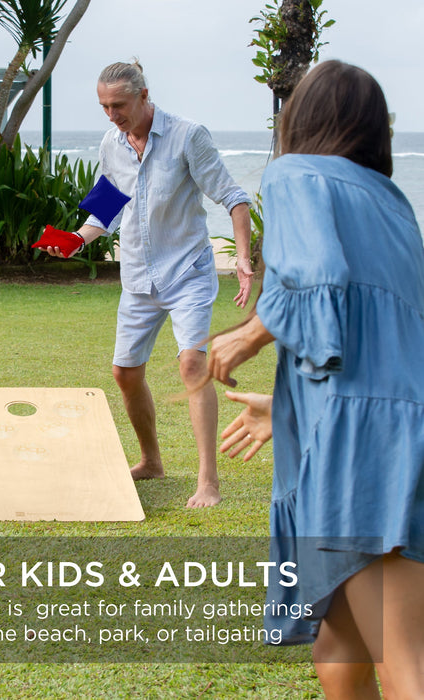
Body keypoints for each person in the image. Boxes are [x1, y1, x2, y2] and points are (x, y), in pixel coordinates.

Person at [207, 61, 424, 698]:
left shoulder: (294, 173)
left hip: (364, 448)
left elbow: (319, 278)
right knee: (339, 650)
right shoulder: (394, 205)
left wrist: (248, 335)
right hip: (394, 430)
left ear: (300, 119)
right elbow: (388, 336)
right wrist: (289, 407)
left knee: (403, 657)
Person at [40, 60, 253, 508]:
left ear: (143, 95)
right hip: (138, 276)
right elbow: (106, 207)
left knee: (192, 367)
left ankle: (208, 481)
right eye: (103, 106)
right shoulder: (111, 143)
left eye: (118, 104)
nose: (111, 114)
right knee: (124, 373)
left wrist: (245, 261)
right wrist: (77, 239)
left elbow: (234, 199)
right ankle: (152, 461)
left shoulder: (188, 136)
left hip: (187, 273)